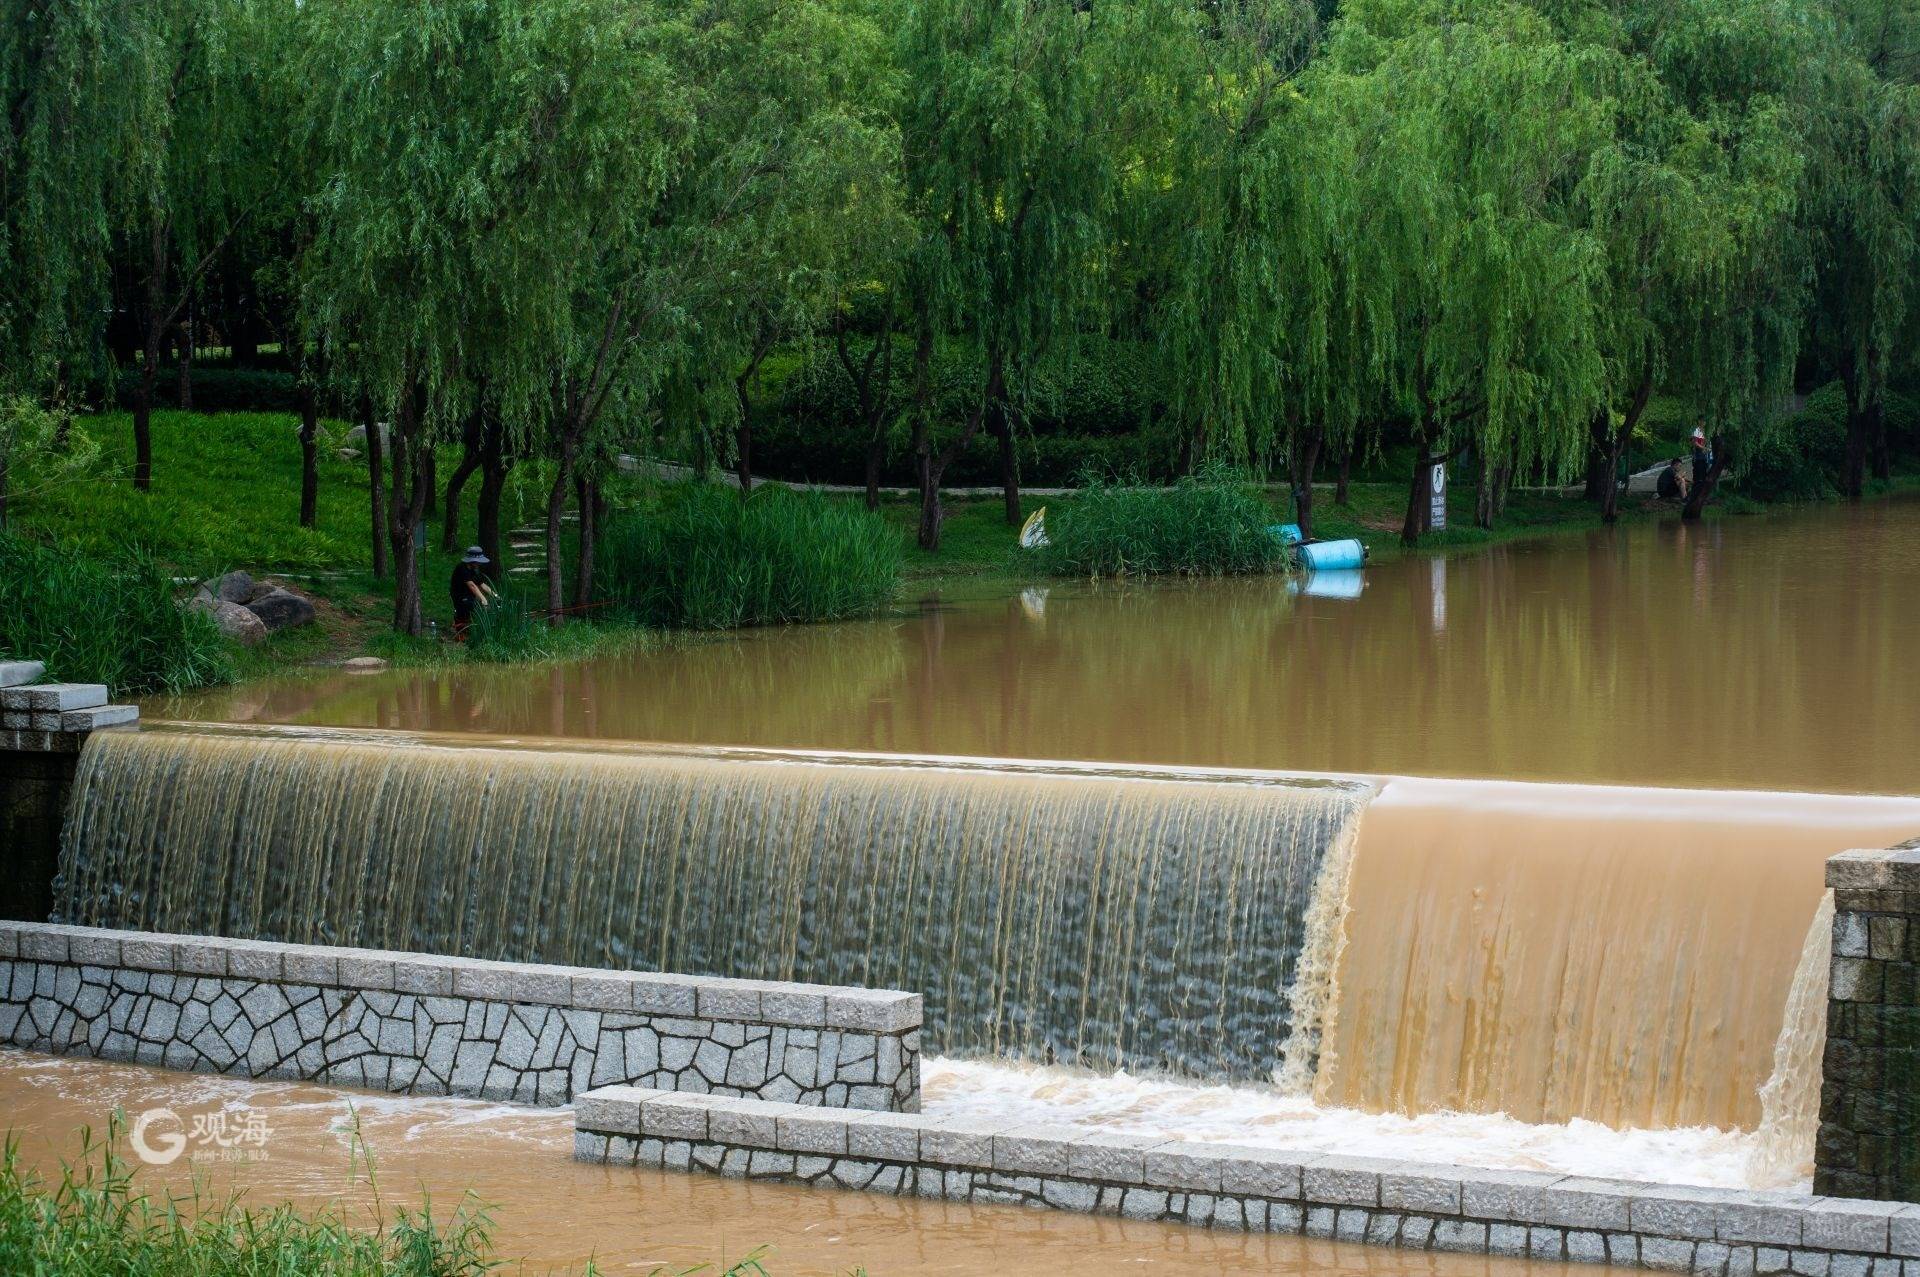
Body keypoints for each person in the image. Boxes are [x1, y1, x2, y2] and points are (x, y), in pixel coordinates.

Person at [450, 546, 496, 639]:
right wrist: (483, 599)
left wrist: (495, 595)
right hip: (460, 597)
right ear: (472, 560)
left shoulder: (473, 570)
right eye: (478, 561)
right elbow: (472, 586)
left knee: (477, 607)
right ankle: (460, 632)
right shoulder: (462, 568)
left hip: (468, 596)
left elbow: (482, 584)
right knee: (471, 608)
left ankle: (468, 630)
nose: (479, 563)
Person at [1690, 426, 1713, 492]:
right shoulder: (1696, 430)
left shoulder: (1706, 432)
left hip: (1704, 458)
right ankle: (1695, 493)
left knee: (1703, 476)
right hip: (1698, 458)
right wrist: (1704, 448)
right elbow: (1694, 442)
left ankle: (1701, 492)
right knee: (1698, 478)